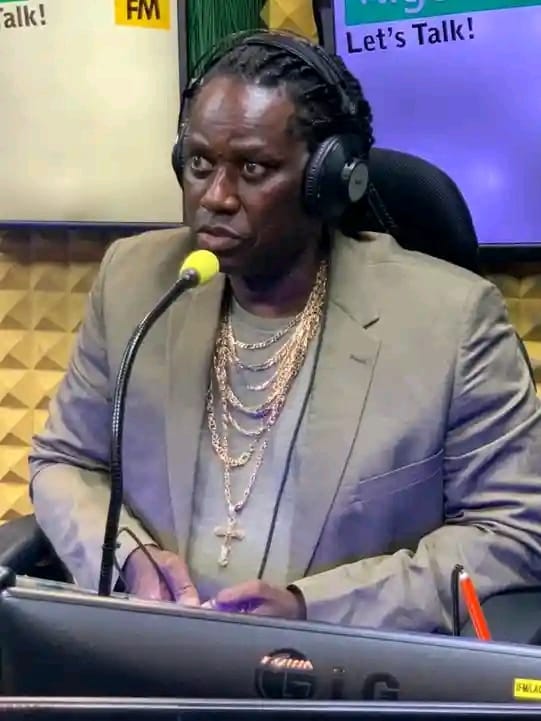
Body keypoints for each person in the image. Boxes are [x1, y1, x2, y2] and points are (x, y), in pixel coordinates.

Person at [30, 30, 541, 633]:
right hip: (152, 648)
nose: (215, 197)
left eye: (253, 168)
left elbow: (511, 532)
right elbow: (63, 461)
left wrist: (311, 608)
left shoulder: (451, 321)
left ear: (328, 181)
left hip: (338, 665)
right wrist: (128, 559)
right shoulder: (134, 282)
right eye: (199, 164)